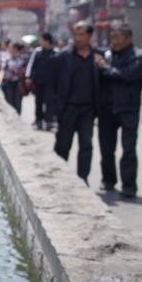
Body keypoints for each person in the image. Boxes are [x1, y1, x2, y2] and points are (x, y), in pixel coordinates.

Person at [96, 22, 142, 198]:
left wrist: (105, 68)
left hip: (128, 109)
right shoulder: (107, 55)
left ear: (127, 38)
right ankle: (108, 180)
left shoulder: (138, 56)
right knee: (106, 148)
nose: (113, 40)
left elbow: (127, 76)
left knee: (128, 149)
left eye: (117, 37)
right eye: (112, 37)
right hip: (107, 109)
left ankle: (129, 185)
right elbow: (101, 76)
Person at [54, 21, 100, 185]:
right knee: (62, 145)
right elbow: (54, 82)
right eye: (76, 34)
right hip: (68, 108)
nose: (78, 38)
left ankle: (83, 179)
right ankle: (60, 177)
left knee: (86, 145)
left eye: (82, 34)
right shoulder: (64, 56)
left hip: (88, 109)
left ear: (89, 36)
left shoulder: (97, 57)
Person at [25, 33, 58, 130]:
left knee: (50, 102)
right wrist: (28, 76)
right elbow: (31, 64)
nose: (40, 42)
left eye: (42, 40)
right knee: (38, 102)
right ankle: (38, 120)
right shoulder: (37, 52)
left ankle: (49, 121)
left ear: (47, 41)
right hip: (38, 82)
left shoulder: (55, 52)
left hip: (51, 83)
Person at [0, 43, 26, 113]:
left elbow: (22, 71)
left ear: (16, 50)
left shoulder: (22, 59)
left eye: (11, 48)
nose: (10, 50)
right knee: (9, 100)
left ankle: (17, 116)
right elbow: (2, 69)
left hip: (18, 83)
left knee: (17, 101)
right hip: (8, 82)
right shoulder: (6, 58)